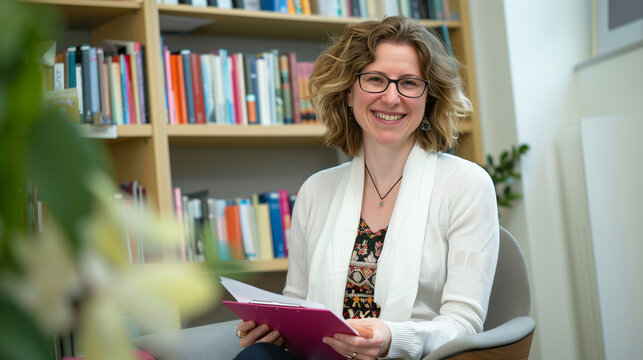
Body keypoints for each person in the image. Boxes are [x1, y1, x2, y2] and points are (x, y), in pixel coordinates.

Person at [234, 15, 499, 360]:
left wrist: (392, 337)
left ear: (429, 98)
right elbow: (298, 302)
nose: (391, 98)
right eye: (374, 79)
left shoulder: (467, 184)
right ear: (347, 92)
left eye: (409, 83)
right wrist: (274, 330)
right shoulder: (316, 190)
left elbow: (463, 323)